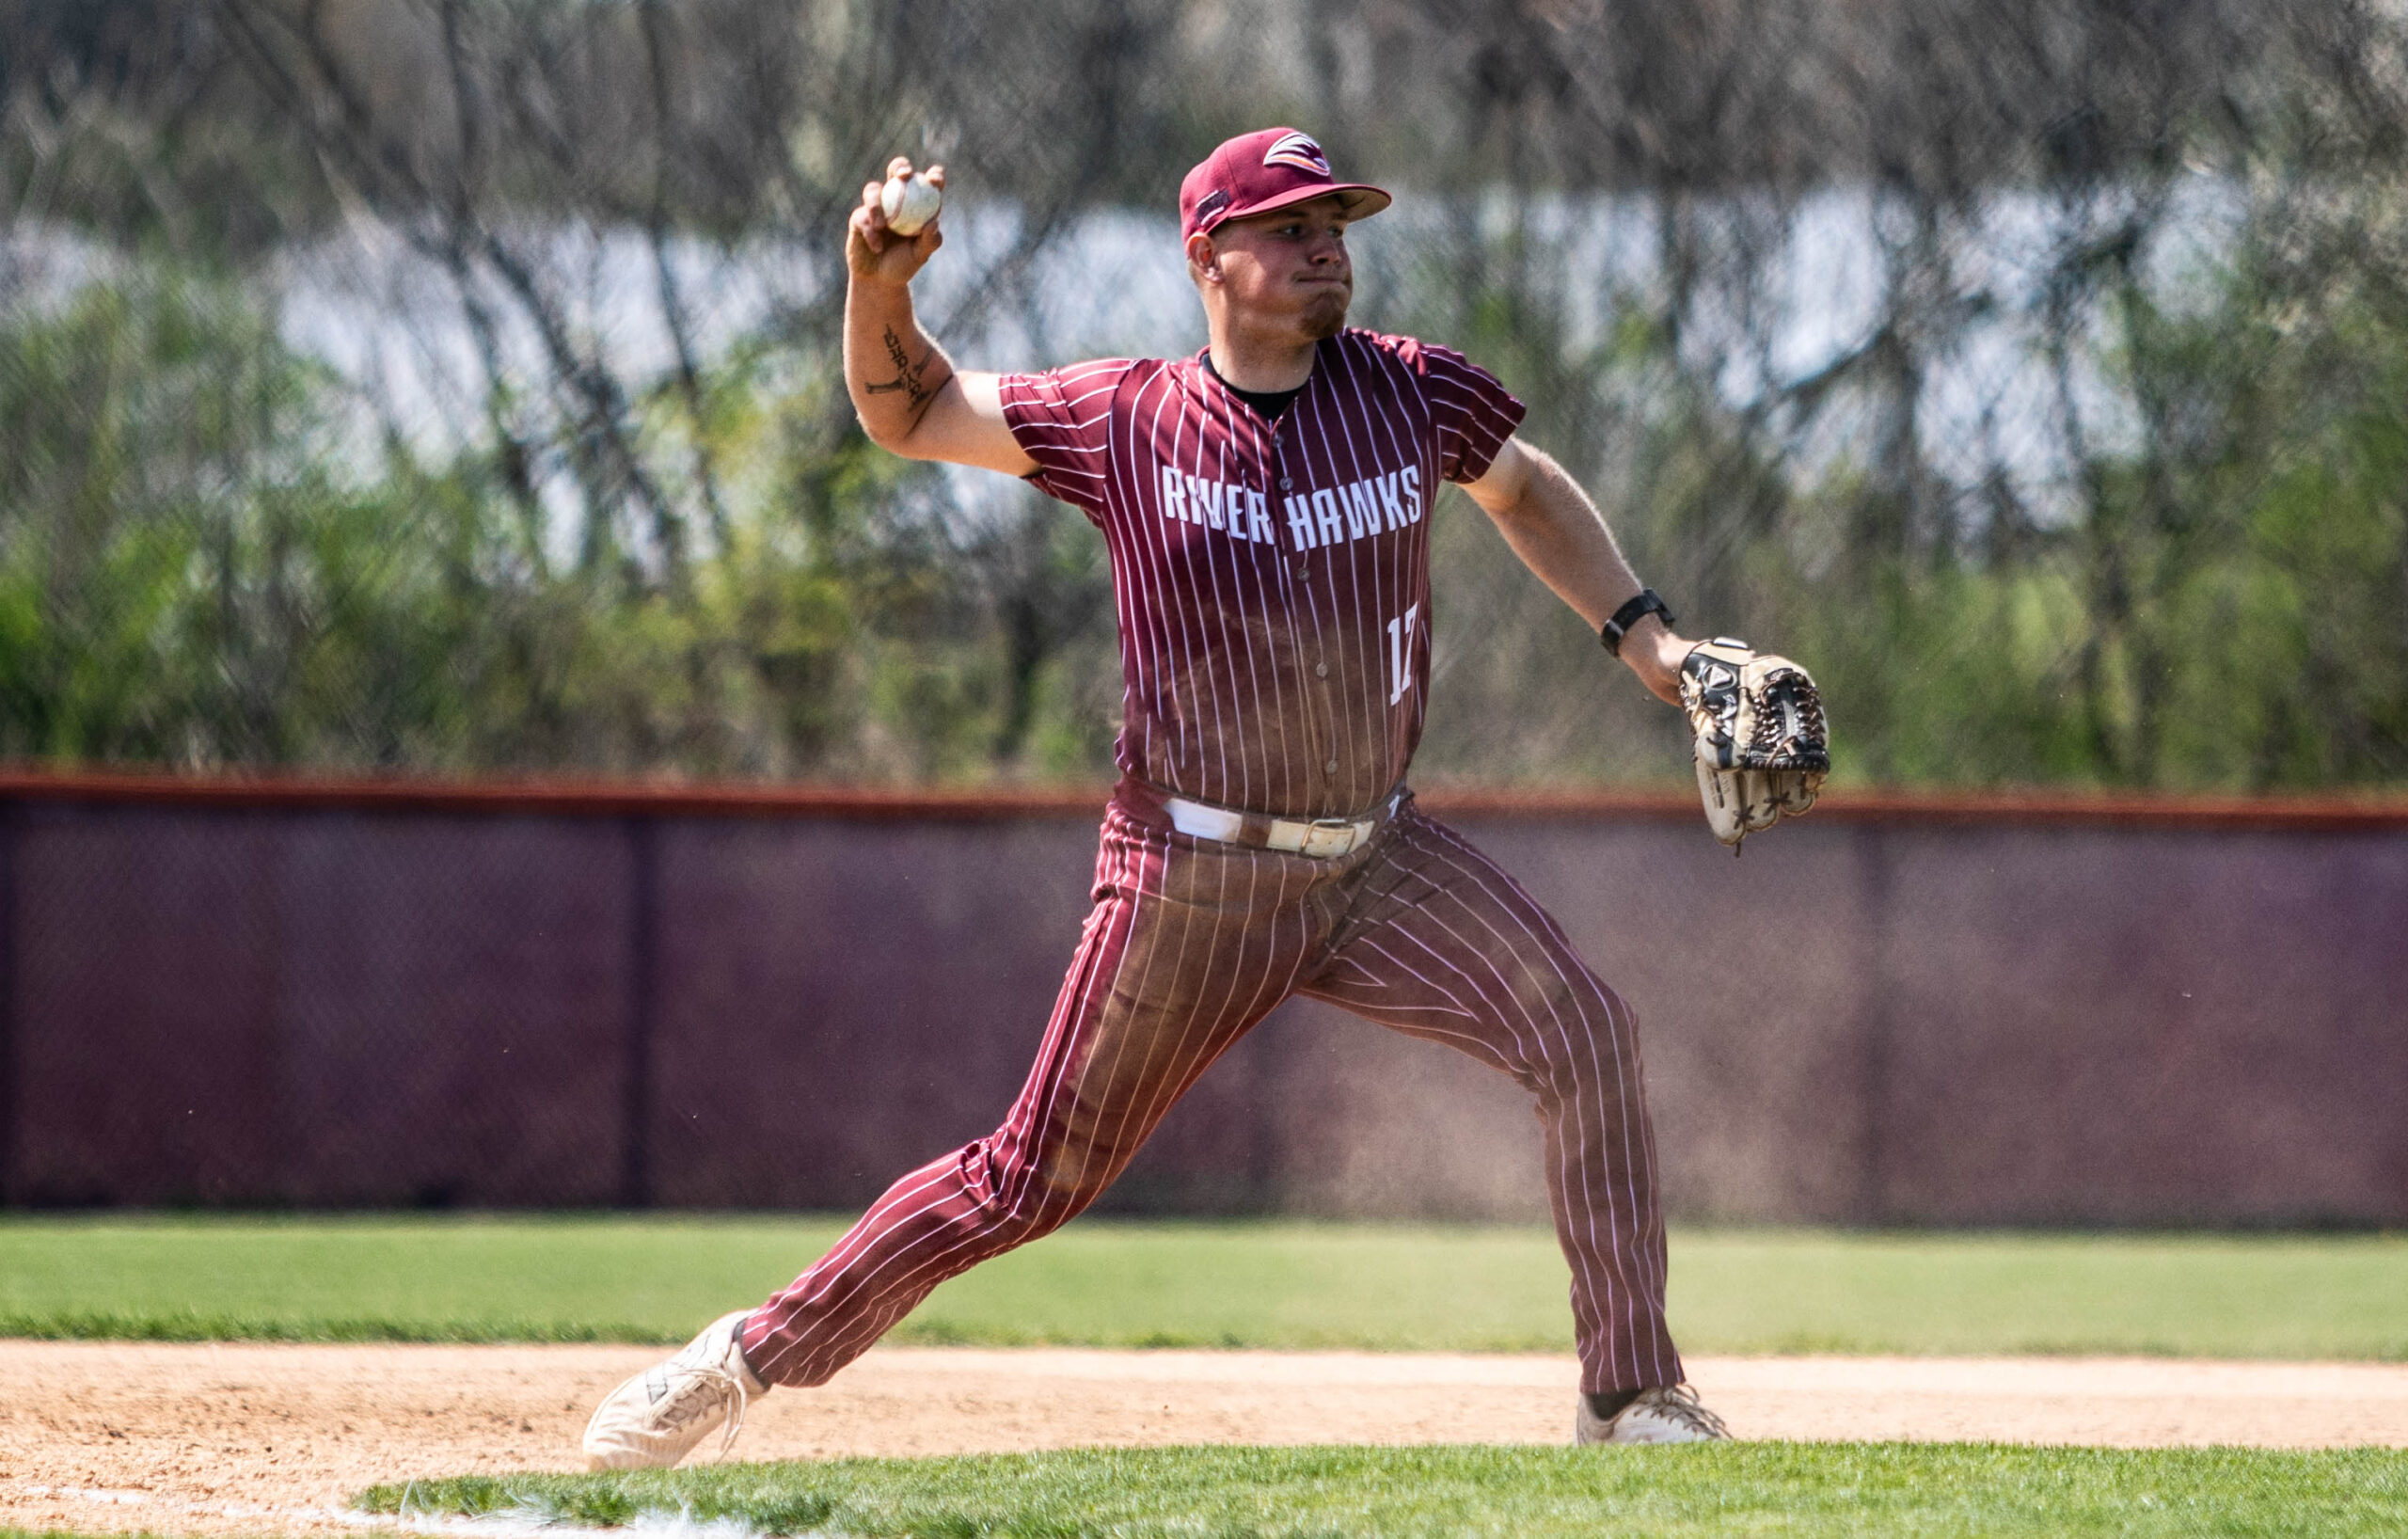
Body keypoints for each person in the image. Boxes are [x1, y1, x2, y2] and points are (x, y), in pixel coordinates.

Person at [581, 127, 1729, 1468]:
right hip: (1191, 880)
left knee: (1585, 1033)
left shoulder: (1411, 392)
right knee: (1025, 1180)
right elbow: (909, 411)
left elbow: (1523, 490)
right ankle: (741, 1357)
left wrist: (1651, 643)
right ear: (1206, 256)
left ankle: (1629, 1396)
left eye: (1335, 225)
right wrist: (878, 286)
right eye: (1290, 228)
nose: (1326, 248)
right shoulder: (1127, 418)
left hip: (1375, 861)